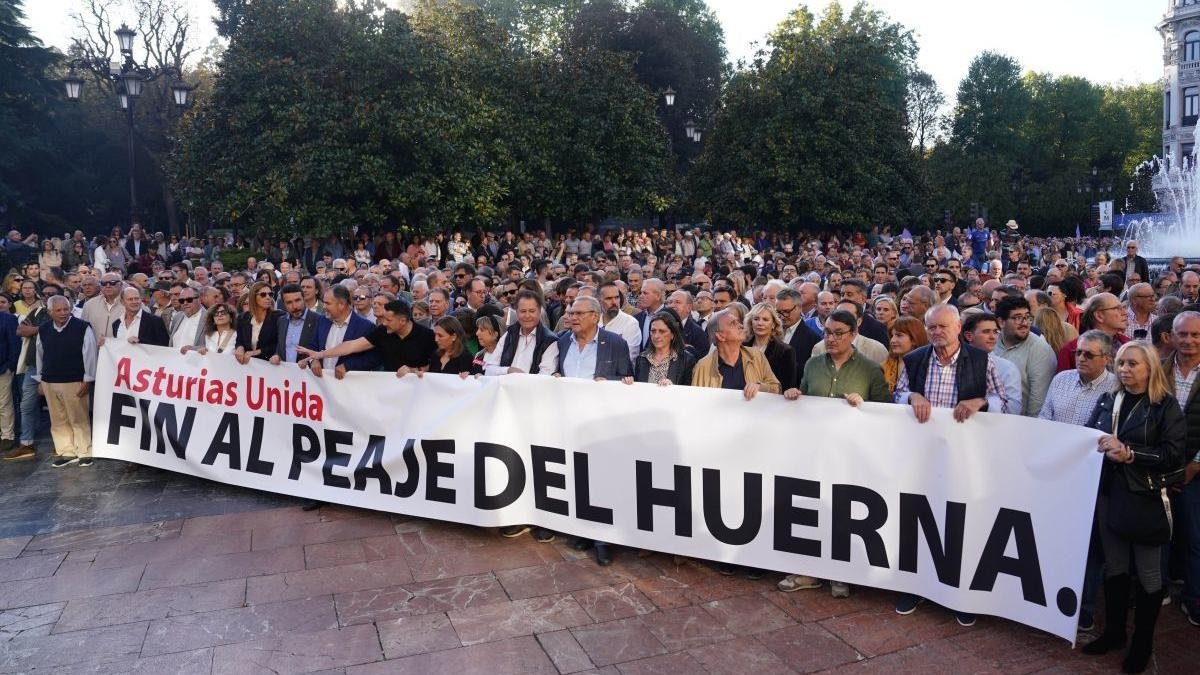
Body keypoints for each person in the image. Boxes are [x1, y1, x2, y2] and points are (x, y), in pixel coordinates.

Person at [893, 304, 1009, 626]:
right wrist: (911, 397)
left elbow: (1004, 403)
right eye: (931, 328)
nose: (937, 333)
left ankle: (962, 594)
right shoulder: (915, 359)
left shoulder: (981, 360)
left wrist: (981, 402)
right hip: (923, 456)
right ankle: (915, 587)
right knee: (919, 519)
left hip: (967, 459)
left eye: (943, 327)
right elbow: (897, 394)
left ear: (959, 328)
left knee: (961, 523)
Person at [1082, 341, 1186, 673]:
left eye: (1133, 364)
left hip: (1145, 496)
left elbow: (1174, 456)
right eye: (1122, 363)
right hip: (1109, 494)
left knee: (1148, 573)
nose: (1125, 369)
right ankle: (1114, 633)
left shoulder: (1164, 406)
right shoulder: (1110, 398)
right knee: (1115, 567)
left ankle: (1142, 642)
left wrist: (1131, 454)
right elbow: (1088, 435)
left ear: (1150, 367)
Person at [778, 308, 890, 598]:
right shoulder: (813, 364)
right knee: (811, 507)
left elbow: (887, 416)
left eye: (839, 333)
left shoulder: (870, 369)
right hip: (814, 452)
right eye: (827, 332)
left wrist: (864, 406)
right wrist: (795, 396)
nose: (831, 338)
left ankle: (840, 573)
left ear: (853, 334)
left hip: (850, 455)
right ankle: (808, 571)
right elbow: (804, 395)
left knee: (843, 511)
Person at [1037, 329, 1118, 631]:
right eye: (1079, 353)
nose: (1081, 358)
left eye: (1089, 355)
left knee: (1089, 545)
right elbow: (1045, 416)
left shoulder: (1115, 388)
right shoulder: (1061, 380)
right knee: (1055, 538)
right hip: (1058, 474)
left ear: (1107, 359)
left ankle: (1082, 607)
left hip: (1095, 480)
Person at [554, 296, 633, 566]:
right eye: (570, 312)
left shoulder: (615, 343)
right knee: (578, 477)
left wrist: (607, 382)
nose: (572, 317)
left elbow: (627, 380)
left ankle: (604, 540)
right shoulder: (563, 341)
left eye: (578, 313)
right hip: (569, 421)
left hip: (602, 423)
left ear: (595, 316)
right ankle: (584, 531)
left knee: (603, 481)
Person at [298, 299, 435, 377]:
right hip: (389, 391)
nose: (384, 322)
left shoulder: (427, 336)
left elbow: (434, 369)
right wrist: (320, 354)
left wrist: (411, 371)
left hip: (417, 396)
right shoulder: (382, 331)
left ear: (403, 321)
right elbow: (351, 346)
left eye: (389, 320)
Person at [33, 296, 96, 468]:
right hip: (50, 380)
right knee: (58, 420)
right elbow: (40, 354)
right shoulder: (44, 329)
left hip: (74, 380)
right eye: (58, 310)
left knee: (79, 418)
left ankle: (85, 452)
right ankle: (67, 452)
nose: (63, 313)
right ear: (50, 312)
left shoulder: (83, 327)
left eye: (66, 309)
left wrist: (88, 379)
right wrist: (40, 379)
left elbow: (90, 354)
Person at [1170, 312, 1200, 627]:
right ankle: (1162, 585)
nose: (1189, 341)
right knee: (1163, 532)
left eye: (1196, 335)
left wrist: (1195, 464)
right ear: (1172, 336)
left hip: (1195, 468)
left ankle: (1193, 597)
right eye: (1183, 334)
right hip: (1164, 464)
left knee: (1195, 537)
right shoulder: (1161, 369)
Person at [992, 297, 1056, 416]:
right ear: (1001, 322)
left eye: (1027, 317)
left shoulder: (1040, 349)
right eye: (1017, 318)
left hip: (1020, 423)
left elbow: (1038, 401)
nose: (1025, 323)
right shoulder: (991, 342)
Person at [961, 311, 1021, 415]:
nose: (993, 337)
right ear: (969, 336)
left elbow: (1014, 408)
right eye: (986, 331)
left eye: (995, 332)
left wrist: (984, 404)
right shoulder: (953, 361)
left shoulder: (1007, 368)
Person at [1057, 293, 1130, 372]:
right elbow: (1063, 381)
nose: (1125, 313)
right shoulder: (1071, 350)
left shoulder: (1127, 344)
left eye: (1123, 307)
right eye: (1117, 308)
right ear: (1099, 316)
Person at [624, 310, 696, 387]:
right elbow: (638, 387)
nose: (656, 336)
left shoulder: (686, 360)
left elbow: (688, 392)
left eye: (662, 331)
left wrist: (673, 387)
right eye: (653, 331)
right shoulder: (642, 358)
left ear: (672, 335)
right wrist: (630, 382)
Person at [270, 283, 328, 365]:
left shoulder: (318, 320)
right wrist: (276, 356)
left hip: (308, 375)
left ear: (304, 299)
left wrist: (314, 360)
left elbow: (325, 350)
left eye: (297, 300)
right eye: (289, 302)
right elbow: (280, 348)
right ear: (284, 304)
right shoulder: (281, 321)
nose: (294, 306)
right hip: (285, 375)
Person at [744, 303, 796, 391]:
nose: (760, 323)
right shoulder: (742, 347)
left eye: (765, 319)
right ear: (751, 322)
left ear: (773, 324)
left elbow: (787, 386)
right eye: (756, 319)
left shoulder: (785, 351)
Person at [235, 281, 284, 363]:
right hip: (248, 366)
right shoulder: (242, 318)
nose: (268, 297)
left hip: (270, 365)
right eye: (263, 294)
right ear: (253, 297)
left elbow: (280, 343)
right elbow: (239, 340)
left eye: (270, 294)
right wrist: (239, 347)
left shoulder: (278, 316)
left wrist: (257, 352)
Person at [882, 316, 928, 394]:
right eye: (891, 336)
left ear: (914, 339)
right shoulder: (883, 367)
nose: (892, 340)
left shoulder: (928, 367)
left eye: (899, 335)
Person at [597, 282, 640, 363]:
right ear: (599, 301)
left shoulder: (630, 323)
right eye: (608, 298)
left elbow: (628, 356)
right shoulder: (594, 322)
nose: (614, 302)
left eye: (616, 297)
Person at [169, 285, 208, 349]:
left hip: (197, 358)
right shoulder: (177, 317)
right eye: (181, 301)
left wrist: (193, 349)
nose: (185, 303)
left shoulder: (209, 318)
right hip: (175, 358)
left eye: (189, 300)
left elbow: (213, 346)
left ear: (200, 299)